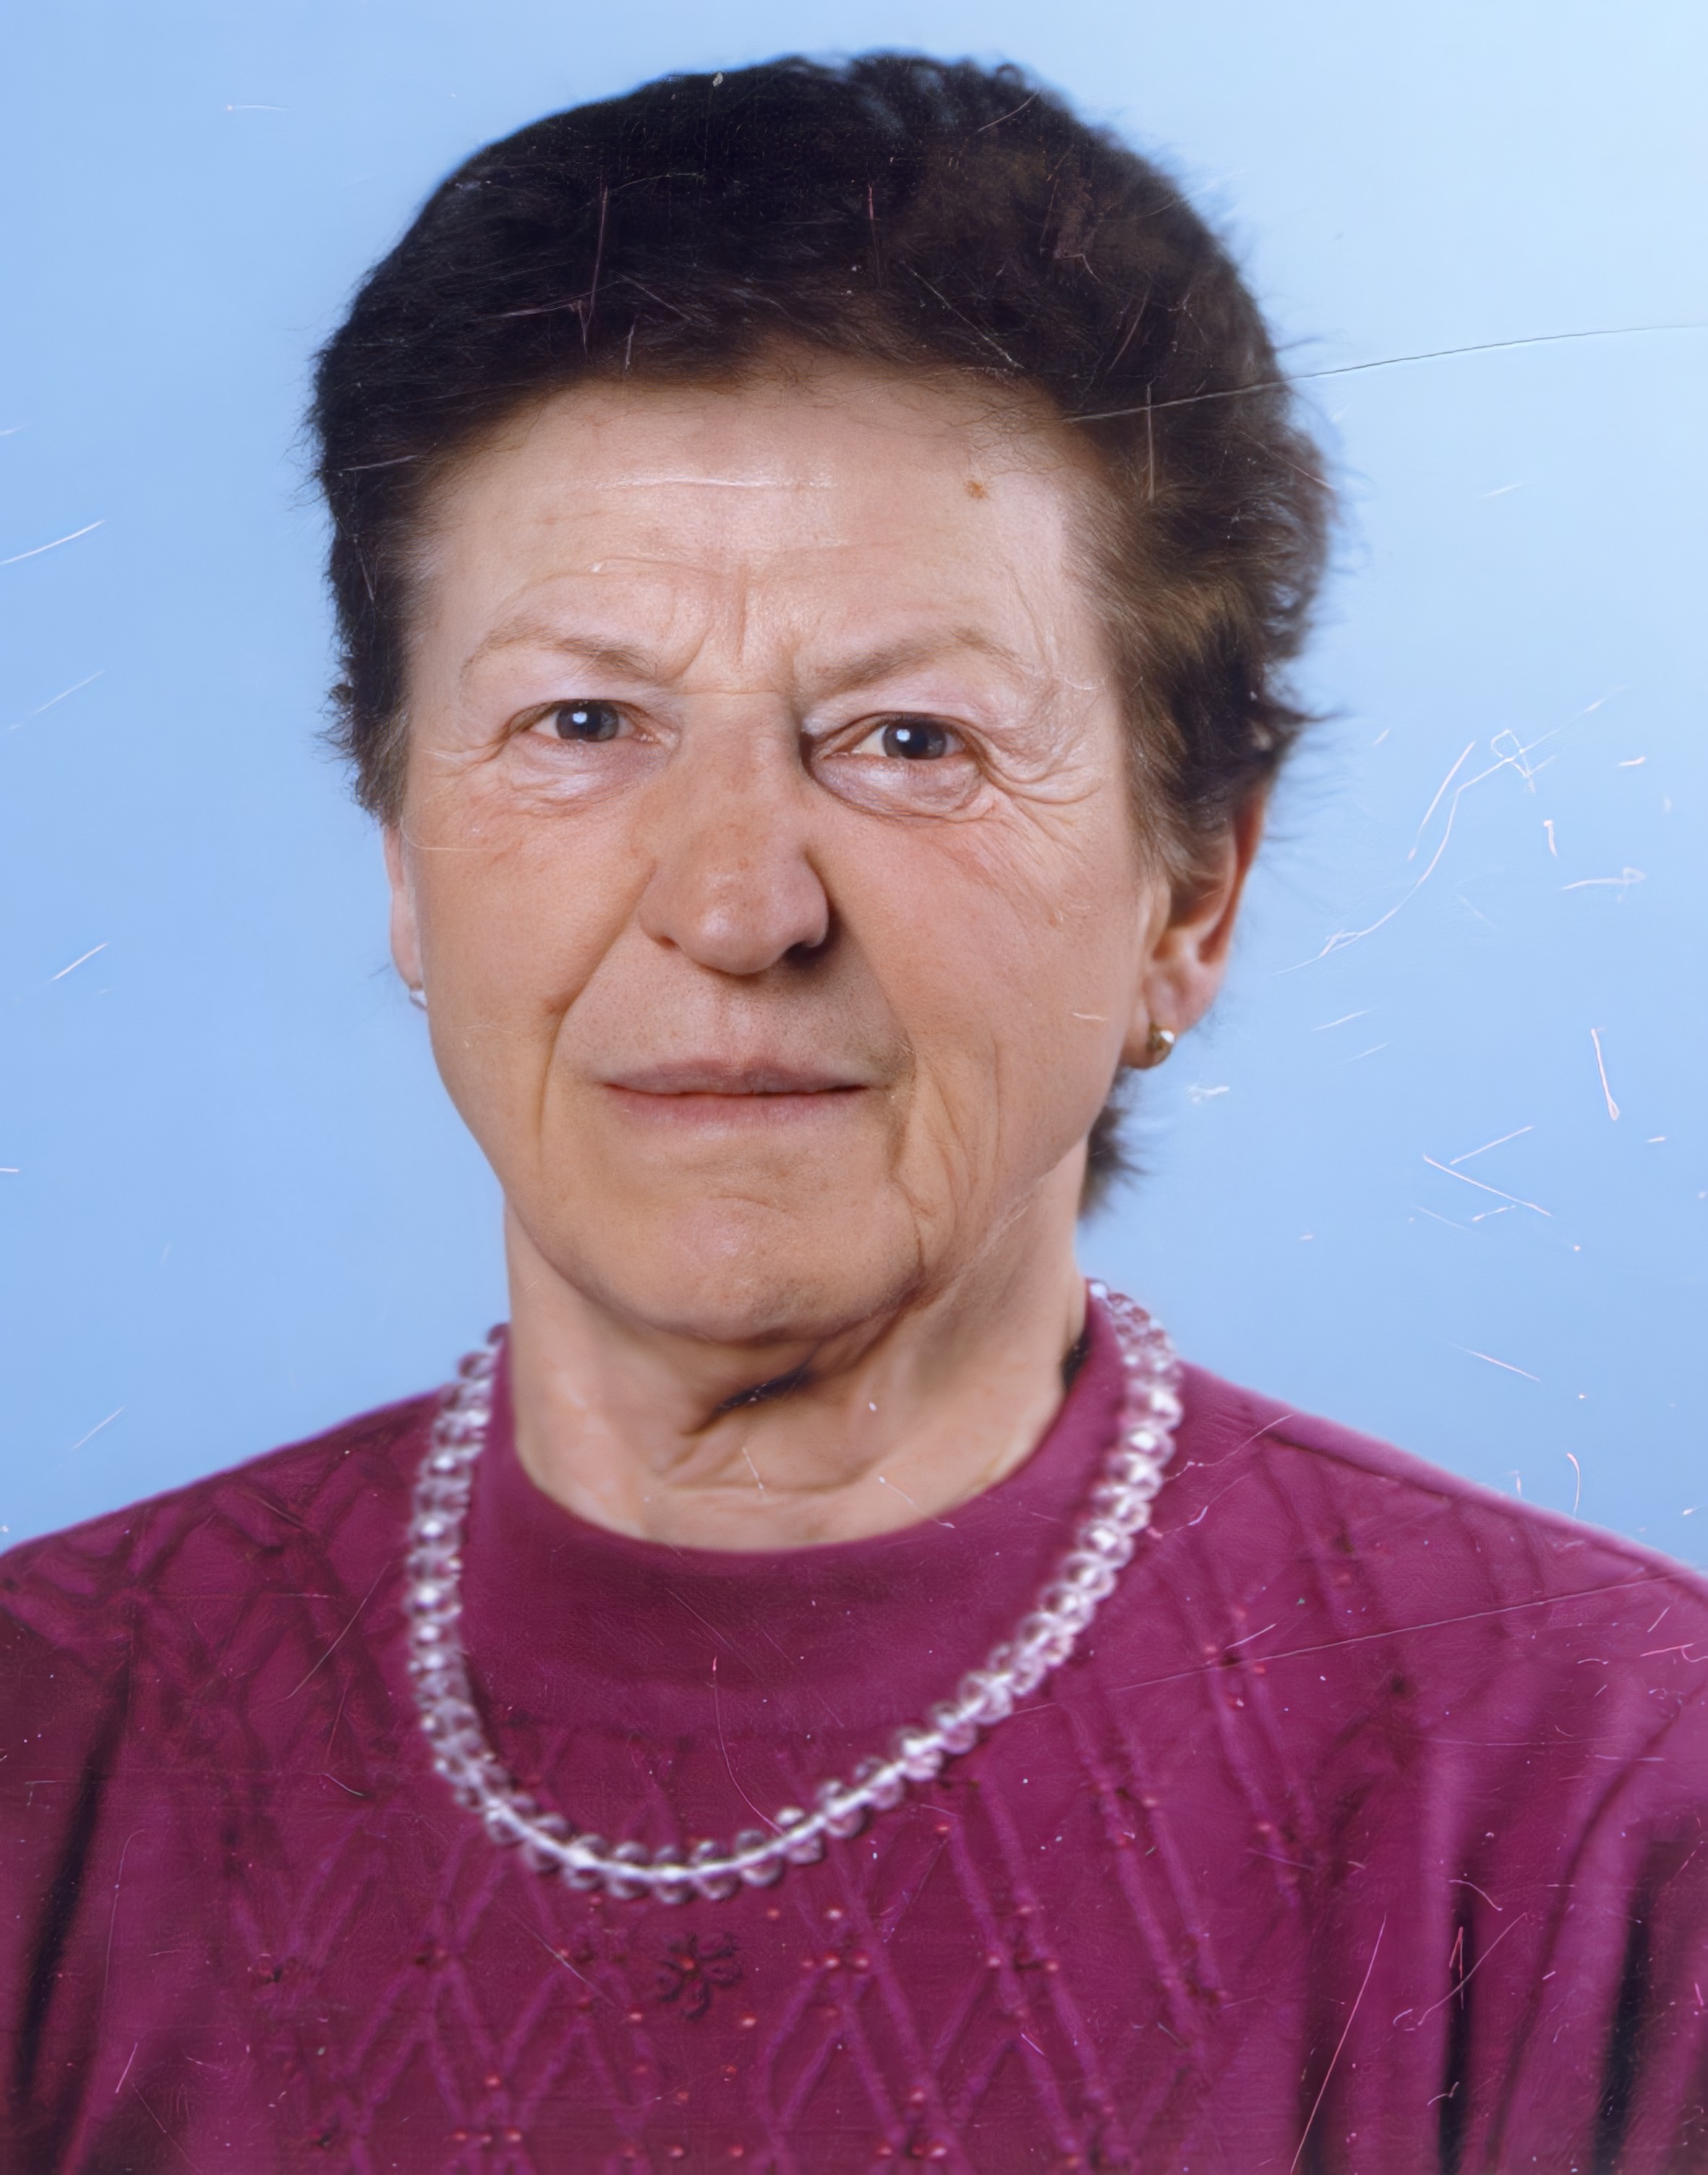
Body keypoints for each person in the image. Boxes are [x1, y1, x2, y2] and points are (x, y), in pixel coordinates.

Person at [3, 54, 1704, 2174]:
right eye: (582, 719)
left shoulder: (1622, 1800)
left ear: (1193, 892)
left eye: (908, 740)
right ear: (403, 850)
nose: (735, 910)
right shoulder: (42, 1738)